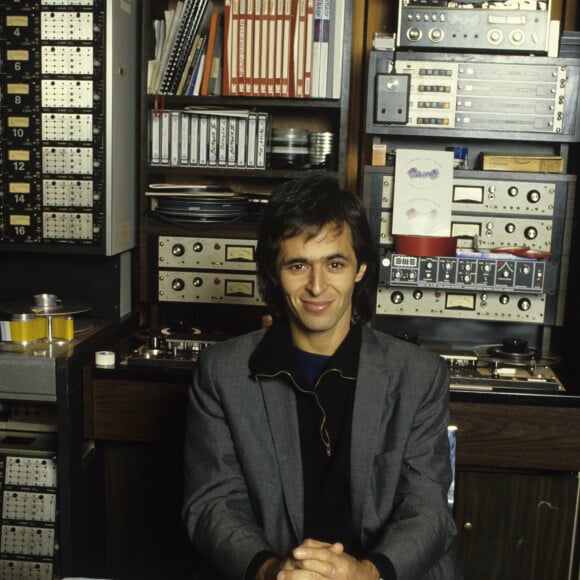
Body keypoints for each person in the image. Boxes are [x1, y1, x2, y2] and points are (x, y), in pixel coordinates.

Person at [182, 176, 461, 580]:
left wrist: (367, 573)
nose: (317, 286)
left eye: (335, 264)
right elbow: (213, 504)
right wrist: (271, 569)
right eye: (298, 265)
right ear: (274, 273)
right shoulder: (221, 373)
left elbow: (428, 509)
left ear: (360, 268)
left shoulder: (420, 375)